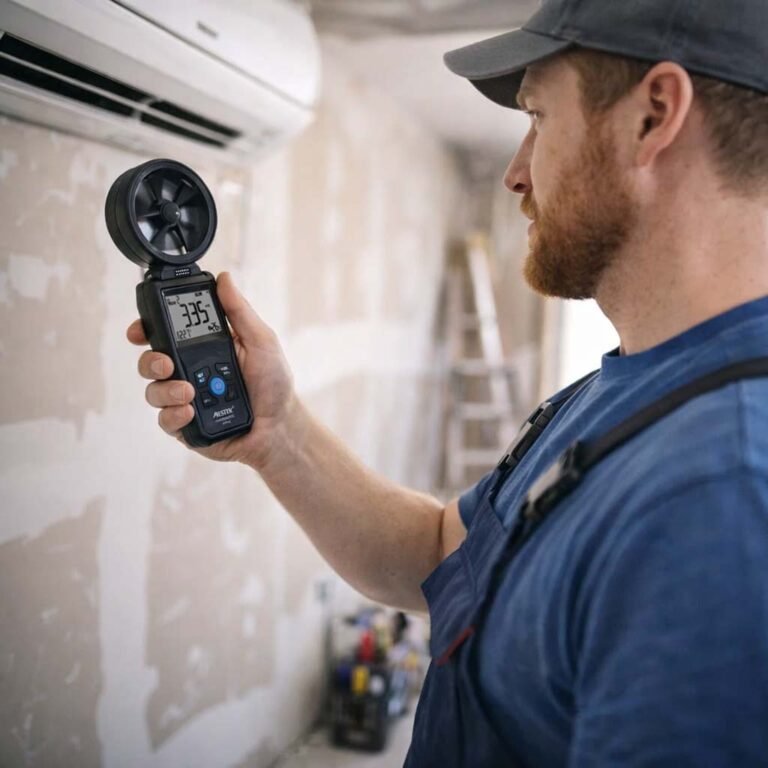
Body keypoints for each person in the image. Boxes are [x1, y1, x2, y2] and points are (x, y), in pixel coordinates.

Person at [127, 0, 768, 764]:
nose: (516, 172)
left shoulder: (723, 495)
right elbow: (440, 554)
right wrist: (279, 431)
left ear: (652, 116)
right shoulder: (632, 386)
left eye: (537, 117)